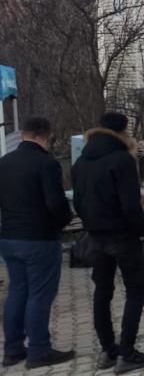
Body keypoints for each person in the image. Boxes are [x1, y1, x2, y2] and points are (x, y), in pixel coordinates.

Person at [71, 112, 144, 373]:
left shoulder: (81, 162)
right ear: (123, 132)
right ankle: (127, 352)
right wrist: (141, 230)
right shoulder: (121, 160)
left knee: (102, 291)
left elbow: (78, 201)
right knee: (136, 288)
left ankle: (109, 350)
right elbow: (131, 204)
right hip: (123, 235)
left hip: (95, 236)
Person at [0, 117, 74, 369]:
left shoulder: (4, 163)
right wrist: (66, 220)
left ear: (23, 135)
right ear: (45, 136)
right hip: (39, 238)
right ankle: (39, 350)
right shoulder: (46, 163)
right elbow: (55, 202)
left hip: (9, 237)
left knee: (17, 292)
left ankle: (12, 350)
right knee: (40, 295)